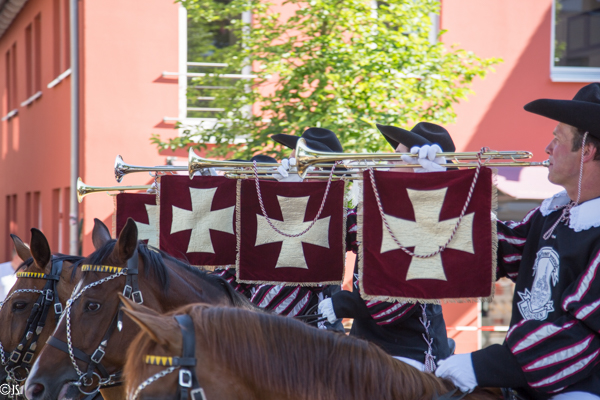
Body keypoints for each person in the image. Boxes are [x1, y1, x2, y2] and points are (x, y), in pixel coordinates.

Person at [435, 83, 600, 399]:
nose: (548, 148)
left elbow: (581, 330)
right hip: (525, 376)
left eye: (558, 138)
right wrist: (438, 183)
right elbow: (493, 250)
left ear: (588, 150)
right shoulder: (552, 213)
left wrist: (484, 365)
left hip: (581, 386)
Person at [318, 122, 454, 372]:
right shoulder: (378, 209)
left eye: (399, 156)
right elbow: (327, 231)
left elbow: (404, 291)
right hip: (365, 345)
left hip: (410, 350)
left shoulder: (437, 215)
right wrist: (301, 189)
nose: (390, 162)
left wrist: (347, 303)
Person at [250, 127, 346, 332]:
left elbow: (308, 258)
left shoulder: (336, 209)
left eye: (300, 161)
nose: (291, 165)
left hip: (315, 329)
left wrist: (294, 197)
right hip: (278, 321)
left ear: (321, 169)